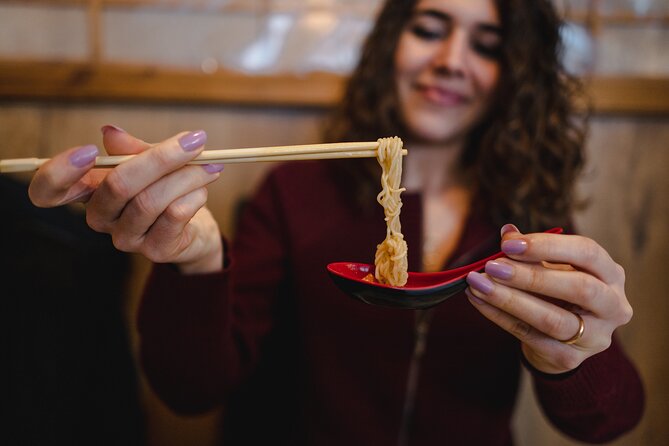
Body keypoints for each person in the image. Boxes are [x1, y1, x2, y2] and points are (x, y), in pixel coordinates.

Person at [27, 0, 644, 444]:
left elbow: (610, 421)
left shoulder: (530, 220)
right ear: (392, 45)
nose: (453, 61)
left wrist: (573, 355)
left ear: (515, 75)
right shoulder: (296, 193)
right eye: (430, 29)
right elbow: (190, 388)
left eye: (487, 44)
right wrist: (194, 259)